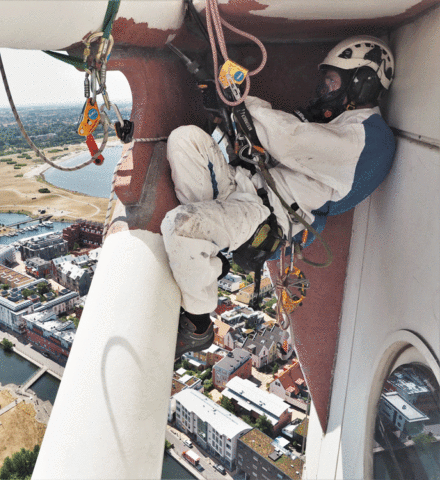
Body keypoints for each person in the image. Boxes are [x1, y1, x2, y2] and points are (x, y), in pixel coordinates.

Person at [162, 35, 396, 358]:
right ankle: (209, 251)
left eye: (332, 81)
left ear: (362, 84)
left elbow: (290, 140)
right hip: (249, 188)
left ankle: (198, 323)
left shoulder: (369, 139)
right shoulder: (345, 126)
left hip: (267, 215)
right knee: (185, 141)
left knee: (181, 225)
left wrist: (239, 98)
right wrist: (234, 106)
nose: (324, 90)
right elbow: (290, 141)